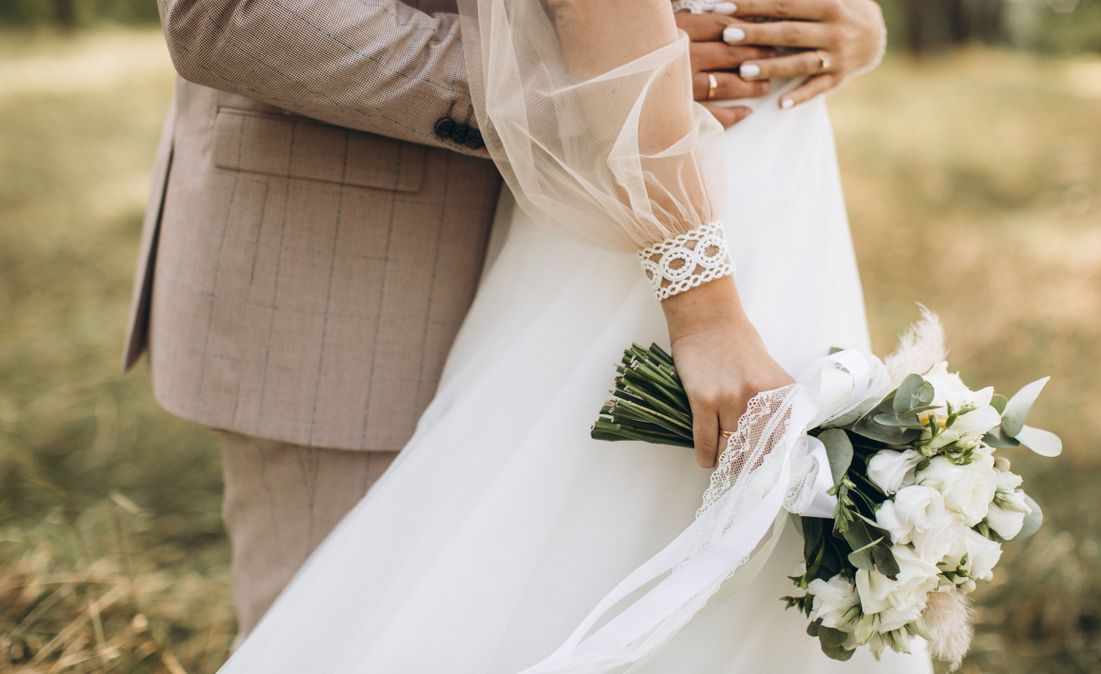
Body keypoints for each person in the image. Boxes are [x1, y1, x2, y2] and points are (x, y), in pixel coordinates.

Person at [129, 0, 891, 646]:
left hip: (726, 231)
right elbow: (223, 14)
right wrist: (568, 89)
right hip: (355, 263)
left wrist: (850, 22)